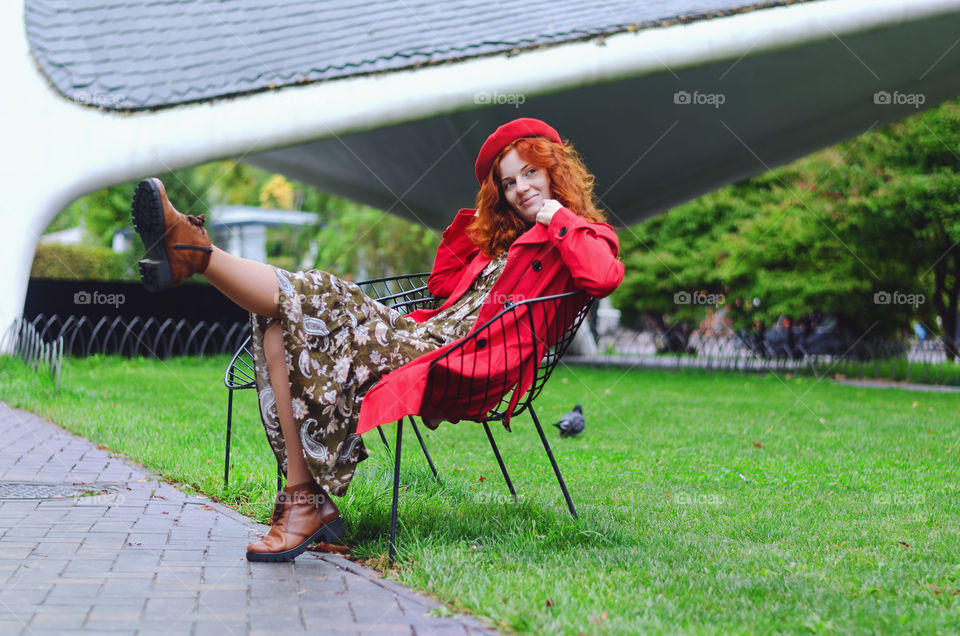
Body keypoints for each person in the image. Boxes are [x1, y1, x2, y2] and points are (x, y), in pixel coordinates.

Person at [131, 117, 624, 562]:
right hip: (428, 335)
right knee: (279, 326)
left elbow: (603, 276)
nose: (520, 189)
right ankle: (306, 502)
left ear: (554, 171)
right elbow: (444, 281)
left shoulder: (582, 234)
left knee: (321, 290)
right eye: (509, 182)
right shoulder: (507, 238)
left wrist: (556, 218)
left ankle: (195, 253)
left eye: (530, 174)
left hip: (462, 358)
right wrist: (494, 226)